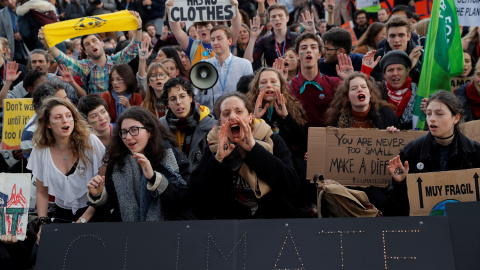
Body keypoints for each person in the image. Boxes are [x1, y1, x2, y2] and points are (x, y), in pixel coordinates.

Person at [190, 92, 299, 219]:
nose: (232, 117)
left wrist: (254, 150)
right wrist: (218, 159)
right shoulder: (214, 146)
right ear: (220, 122)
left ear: (250, 117)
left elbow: (291, 184)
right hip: (229, 225)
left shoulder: (272, 140)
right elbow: (197, 198)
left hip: (272, 220)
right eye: (226, 114)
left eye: (239, 111)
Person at [87, 106, 193, 221]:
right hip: (129, 233)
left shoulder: (171, 155)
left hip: (168, 231)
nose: (128, 137)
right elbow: (112, 208)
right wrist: (98, 195)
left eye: (134, 130)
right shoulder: (117, 161)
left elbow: (184, 200)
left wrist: (154, 178)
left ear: (150, 132)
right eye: (124, 132)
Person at [387, 90, 480, 216]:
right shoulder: (412, 151)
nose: (432, 119)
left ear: (456, 118)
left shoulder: (475, 152)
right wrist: (400, 182)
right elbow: (397, 206)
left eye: (439, 114)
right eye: (429, 114)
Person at [27, 97, 105, 243]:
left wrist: (83, 220)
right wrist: (43, 223)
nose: (65, 120)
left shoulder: (91, 142)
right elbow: (41, 191)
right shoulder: (40, 150)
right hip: (61, 213)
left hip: (93, 211)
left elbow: (104, 186)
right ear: (48, 124)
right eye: (58, 117)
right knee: (42, 251)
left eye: (69, 116)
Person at [37, 11, 144, 94]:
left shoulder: (116, 61)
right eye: (87, 44)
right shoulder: (84, 67)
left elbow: (134, 48)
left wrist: (138, 27)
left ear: (102, 43)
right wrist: (47, 45)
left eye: (94, 41)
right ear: (86, 52)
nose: (92, 45)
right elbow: (64, 60)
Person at [246, 67, 308, 181]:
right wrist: (255, 119)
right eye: (263, 82)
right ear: (256, 87)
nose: (269, 85)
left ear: (281, 86)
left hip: (287, 167)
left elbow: (303, 143)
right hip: (258, 169)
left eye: (273, 82)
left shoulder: (294, 109)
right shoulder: (246, 110)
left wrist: (286, 117)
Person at [289, 32, 350, 127]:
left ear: (319, 54)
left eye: (313, 47)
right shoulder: (288, 87)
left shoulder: (335, 83)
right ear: (297, 55)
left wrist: (348, 81)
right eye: (304, 48)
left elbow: (353, 107)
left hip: (327, 140)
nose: (309, 51)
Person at [159, 78, 216, 172]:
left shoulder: (211, 125)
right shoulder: (161, 127)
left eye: (182, 96)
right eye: (173, 99)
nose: (178, 102)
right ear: (167, 104)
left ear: (190, 97)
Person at [195, 25, 253, 111]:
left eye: (219, 39)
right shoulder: (204, 65)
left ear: (229, 41)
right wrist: (200, 90)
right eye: (212, 40)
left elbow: (250, 95)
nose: (215, 43)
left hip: (237, 115)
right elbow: (197, 100)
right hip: (210, 117)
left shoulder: (244, 64)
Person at [166, 0, 241, 66]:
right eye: (200, 27)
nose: (203, 29)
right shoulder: (192, 45)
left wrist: (235, 8)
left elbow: (236, 26)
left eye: (206, 26)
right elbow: (176, 29)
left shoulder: (224, 42)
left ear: (213, 28)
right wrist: (170, 11)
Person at [325, 72, 399, 129]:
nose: (360, 90)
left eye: (363, 87)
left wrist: (394, 133)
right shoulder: (337, 121)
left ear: (370, 93)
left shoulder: (387, 116)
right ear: (347, 97)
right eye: (354, 88)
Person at [371, 16, 423, 84]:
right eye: (392, 36)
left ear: (409, 36)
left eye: (401, 35)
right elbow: (380, 87)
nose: (396, 40)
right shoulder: (378, 57)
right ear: (387, 37)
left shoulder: (421, 56)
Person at [246, 4, 299, 70]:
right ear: (270, 21)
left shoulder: (297, 38)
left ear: (287, 18)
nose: (277, 19)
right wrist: (252, 38)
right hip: (273, 77)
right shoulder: (264, 41)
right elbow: (247, 61)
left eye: (280, 16)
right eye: (273, 17)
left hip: (294, 78)